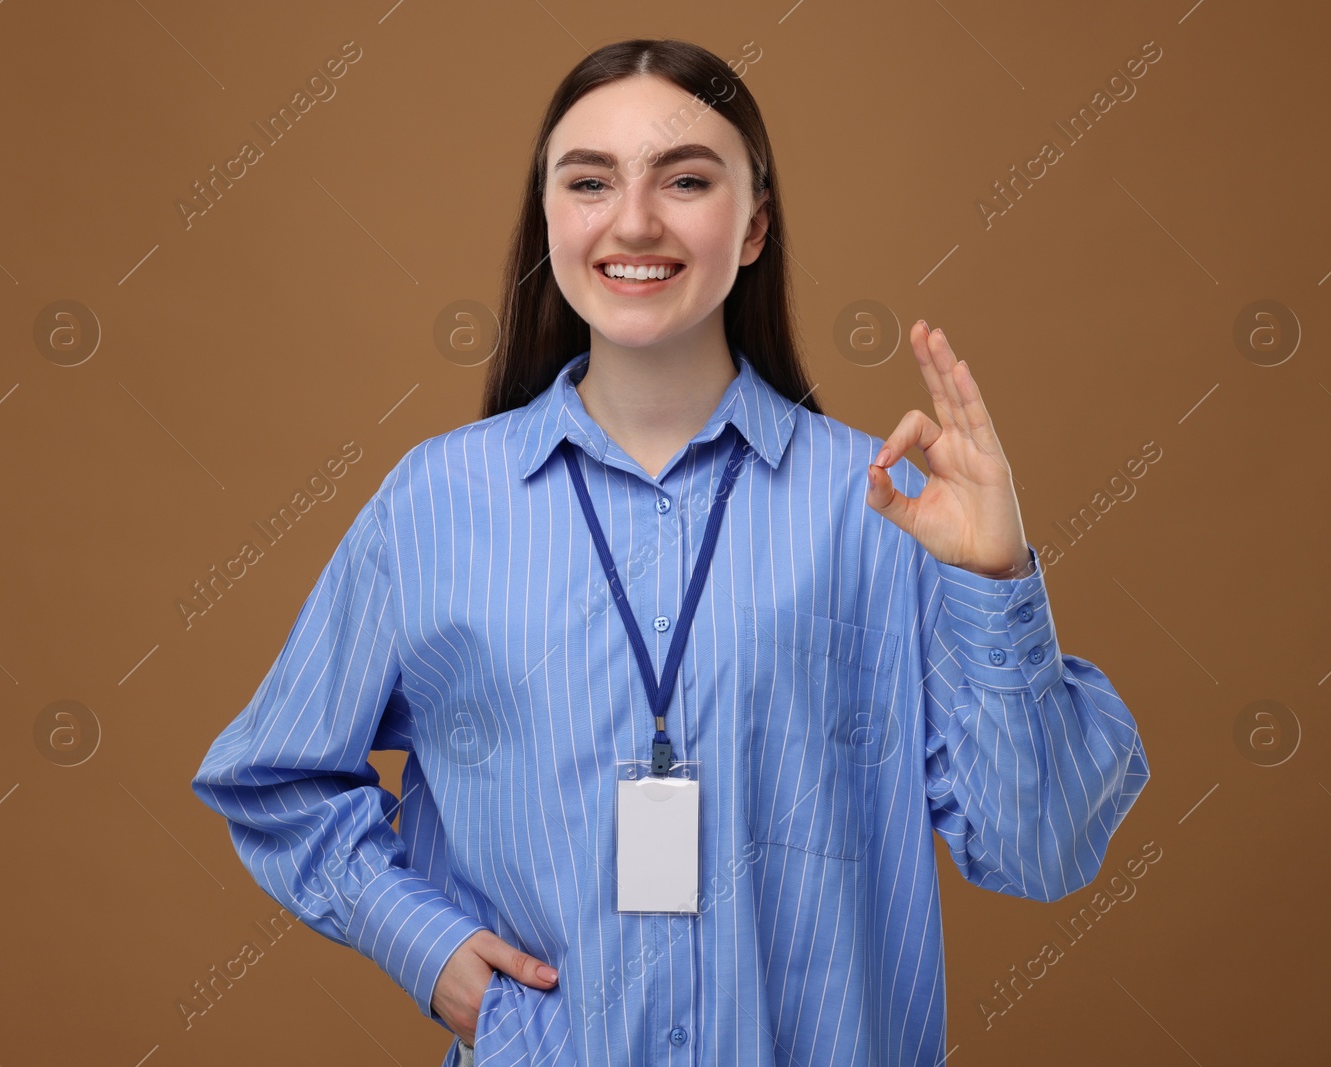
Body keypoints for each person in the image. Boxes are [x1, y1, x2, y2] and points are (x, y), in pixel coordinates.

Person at [191, 38, 1150, 1067]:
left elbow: (1040, 849)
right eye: (590, 181)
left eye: (685, 179)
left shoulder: (887, 507)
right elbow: (274, 777)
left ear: (754, 226)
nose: (634, 220)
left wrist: (993, 579)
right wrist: (429, 951)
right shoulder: (432, 503)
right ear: (550, 218)